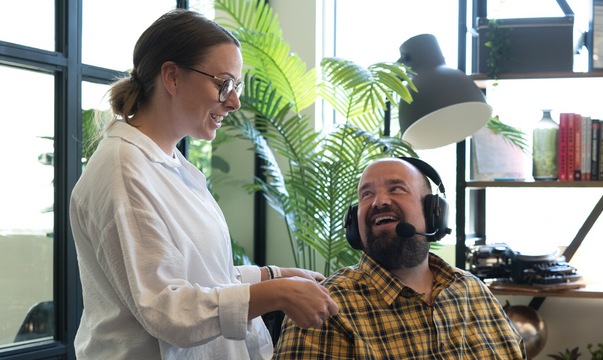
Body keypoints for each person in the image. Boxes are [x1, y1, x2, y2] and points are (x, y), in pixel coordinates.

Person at [69, 9, 337, 360]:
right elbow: (166, 309)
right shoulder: (124, 170)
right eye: (223, 83)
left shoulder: (172, 164)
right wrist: (278, 294)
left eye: (235, 86)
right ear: (172, 77)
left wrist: (272, 276)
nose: (235, 101)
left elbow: (202, 277)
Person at [273, 157, 526, 359]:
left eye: (396, 189)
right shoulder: (326, 309)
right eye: (366, 195)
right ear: (353, 224)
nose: (379, 201)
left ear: (434, 213)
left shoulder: (474, 291)